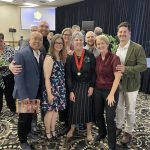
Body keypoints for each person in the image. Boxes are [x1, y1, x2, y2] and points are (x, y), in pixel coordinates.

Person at [115, 22, 147, 144]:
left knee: (130, 110)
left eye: (125, 32)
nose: (122, 34)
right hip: (118, 84)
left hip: (132, 85)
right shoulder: (115, 48)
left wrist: (126, 69)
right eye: (120, 32)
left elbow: (143, 66)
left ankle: (128, 132)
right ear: (118, 34)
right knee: (119, 107)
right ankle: (119, 126)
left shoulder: (137, 48)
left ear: (129, 33)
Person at [13, 31, 44, 150]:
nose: (37, 41)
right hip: (25, 93)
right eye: (34, 39)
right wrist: (24, 96)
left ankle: (28, 132)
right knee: (23, 118)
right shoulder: (21, 54)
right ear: (29, 40)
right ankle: (22, 140)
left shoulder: (39, 53)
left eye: (39, 39)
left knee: (30, 117)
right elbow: (18, 78)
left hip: (35, 92)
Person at [65, 32, 96, 141]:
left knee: (87, 108)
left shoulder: (89, 55)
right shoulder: (69, 57)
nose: (78, 42)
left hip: (87, 86)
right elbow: (68, 75)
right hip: (75, 86)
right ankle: (72, 129)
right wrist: (71, 91)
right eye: (76, 40)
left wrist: (92, 86)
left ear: (83, 41)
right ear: (73, 42)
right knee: (74, 109)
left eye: (80, 40)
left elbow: (93, 72)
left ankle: (88, 131)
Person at [94, 35, 122, 149]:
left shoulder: (115, 58)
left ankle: (112, 144)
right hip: (98, 90)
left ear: (107, 44)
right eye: (98, 44)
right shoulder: (97, 59)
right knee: (98, 114)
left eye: (102, 43)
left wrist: (111, 94)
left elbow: (118, 77)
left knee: (110, 118)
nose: (100, 45)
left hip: (111, 91)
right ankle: (102, 132)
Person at [41, 34, 66, 140]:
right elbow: (46, 78)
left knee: (55, 111)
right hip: (51, 89)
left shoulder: (60, 57)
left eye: (61, 43)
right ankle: (47, 131)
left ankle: (53, 129)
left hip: (60, 89)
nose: (59, 45)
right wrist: (50, 94)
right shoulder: (49, 57)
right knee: (50, 111)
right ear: (53, 43)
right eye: (57, 42)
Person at [0, 33, 16, 115]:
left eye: (1, 40)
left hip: (8, 75)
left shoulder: (10, 49)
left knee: (9, 94)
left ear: (3, 40)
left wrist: (8, 65)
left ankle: (12, 108)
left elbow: (15, 60)